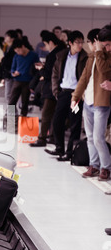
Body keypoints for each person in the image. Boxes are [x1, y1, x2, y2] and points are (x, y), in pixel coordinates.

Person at [71, 26, 111, 181]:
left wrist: (100, 51)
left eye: (108, 44)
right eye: (104, 44)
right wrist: (75, 97)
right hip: (88, 101)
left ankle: (105, 168)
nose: (107, 47)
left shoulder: (104, 56)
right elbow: (84, 78)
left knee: (98, 137)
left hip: (101, 103)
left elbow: (102, 69)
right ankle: (93, 165)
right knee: (89, 137)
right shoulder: (91, 57)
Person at [45, 30, 88, 160]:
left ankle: (70, 153)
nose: (80, 45)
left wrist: (81, 94)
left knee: (75, 124)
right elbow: (55, 75)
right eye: (77, 42)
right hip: (63, 93)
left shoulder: (85, 58)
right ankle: (59, 148)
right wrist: (56, 91)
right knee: (57, 121)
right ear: (70, 43)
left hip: (77, 95)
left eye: (82, 42)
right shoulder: (61, 56)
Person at [30, 32, 66, 147]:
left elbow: (48, 73)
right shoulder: (63, 52)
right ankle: (52, 137)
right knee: (55, 114)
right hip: (57, 88)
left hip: (50, 88)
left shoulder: (52, 55)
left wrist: (41, 70)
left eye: (45, 44)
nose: (45, 47)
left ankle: (42, 138)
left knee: (46, 114)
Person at [8, 38, 39, 116]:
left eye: (18, 50)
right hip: (17, 81)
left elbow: (37, 68)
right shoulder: (16, 56)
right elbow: (12, 68)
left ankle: (23, 122)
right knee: (11, 102)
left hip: (28, 82)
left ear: (23, 47)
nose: (18, 53)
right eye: (16, 51)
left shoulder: (33, 55)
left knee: (25, 103)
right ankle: (10, 123)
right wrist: (13, 73)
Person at [1, 30, 17, 103]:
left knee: (9, 95)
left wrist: (2, 59)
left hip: (11, 73)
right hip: (8, 73)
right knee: (10, 95)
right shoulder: (7, 47)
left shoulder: (14, 49)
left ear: (12, 38)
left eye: (7, 36)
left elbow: (9, 61)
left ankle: (11, 113)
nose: (5, 38)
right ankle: (12, 112)